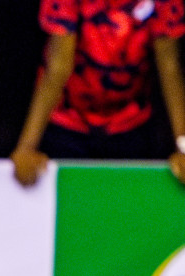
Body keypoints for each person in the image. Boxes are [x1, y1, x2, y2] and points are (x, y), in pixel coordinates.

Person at [12, 0, 185, 187]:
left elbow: (170, 67)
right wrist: (27, 147)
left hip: (130, 124)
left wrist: (183, 148)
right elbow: (57, 68)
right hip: (67, 123)